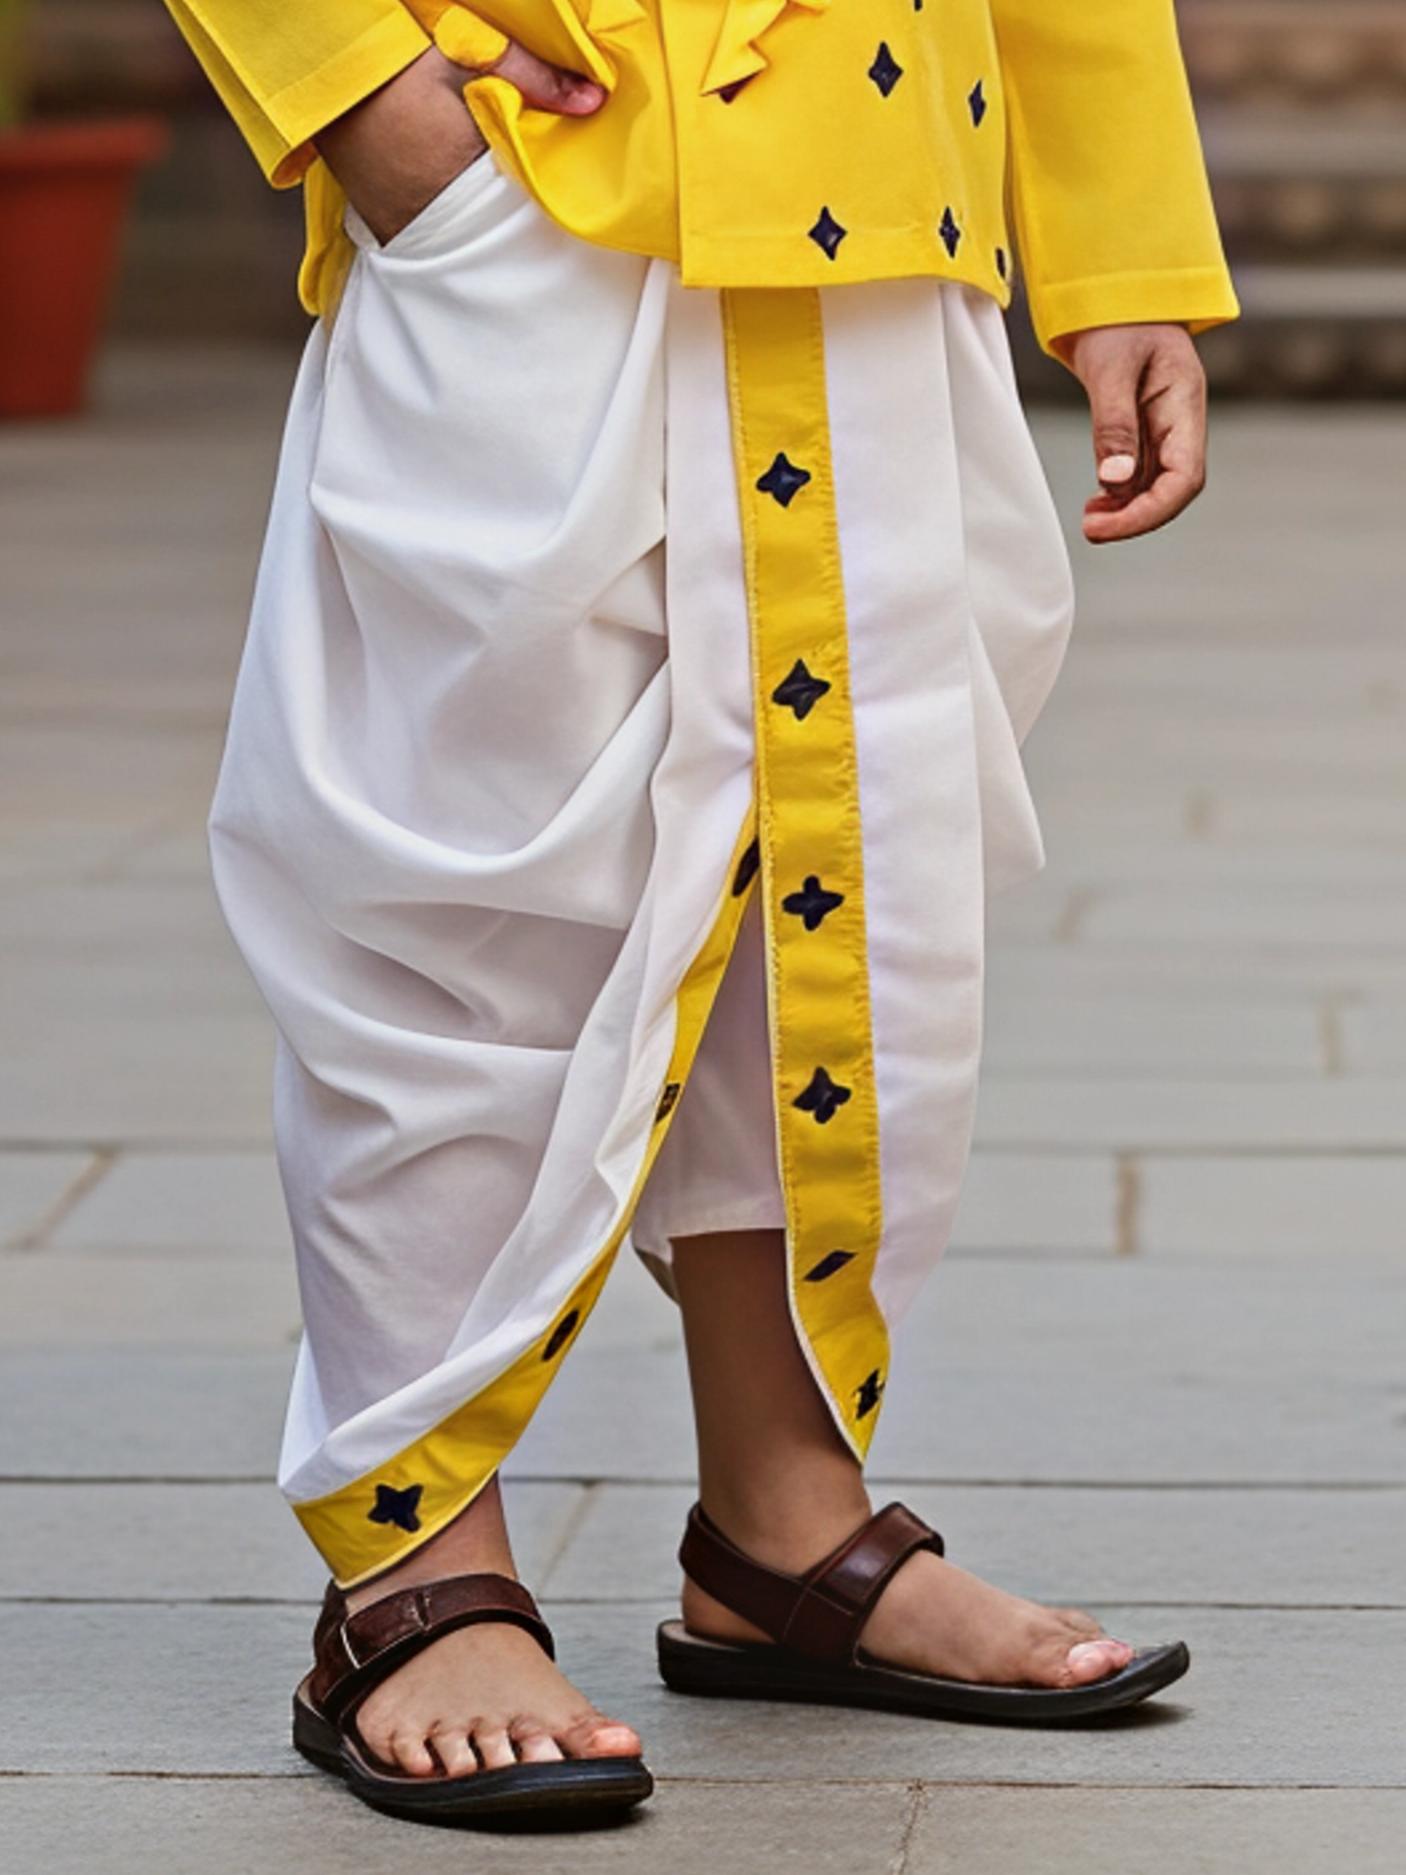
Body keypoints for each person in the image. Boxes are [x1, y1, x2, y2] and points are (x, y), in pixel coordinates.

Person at [164, 0, 1237, 1828]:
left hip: (883, 197)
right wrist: (363, 97)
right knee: (455, 891)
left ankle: (783, 1523)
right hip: (530, 168)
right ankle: (413, 1557)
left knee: (846, 881)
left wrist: (1112, 227)